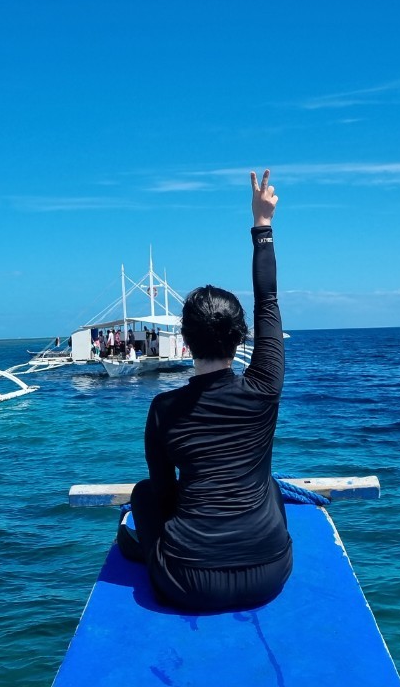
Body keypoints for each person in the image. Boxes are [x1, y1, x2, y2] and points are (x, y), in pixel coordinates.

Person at [118, 169, 287, 612]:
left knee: (141, 493)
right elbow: (268, 301)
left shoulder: (164, 408)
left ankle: (143, 553)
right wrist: (262, 224)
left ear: (186, 342)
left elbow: (164, 492)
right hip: (271, 572)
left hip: (187, 582)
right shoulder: (265, 385)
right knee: (265, 484)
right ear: (242, 338)